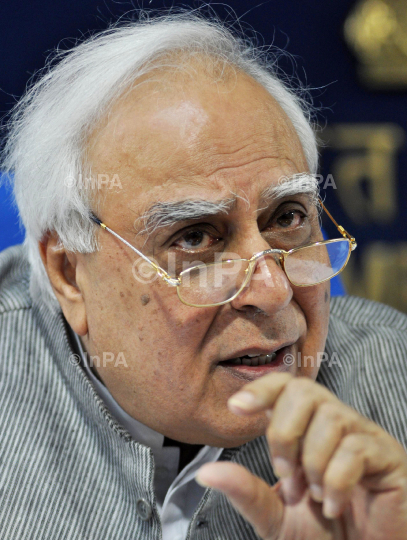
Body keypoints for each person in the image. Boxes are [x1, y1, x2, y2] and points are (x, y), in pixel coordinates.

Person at [0, 12, 406, 540]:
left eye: (287, 217)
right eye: (195, 238)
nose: (273, 290)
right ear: (70, 273)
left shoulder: (393, 375)